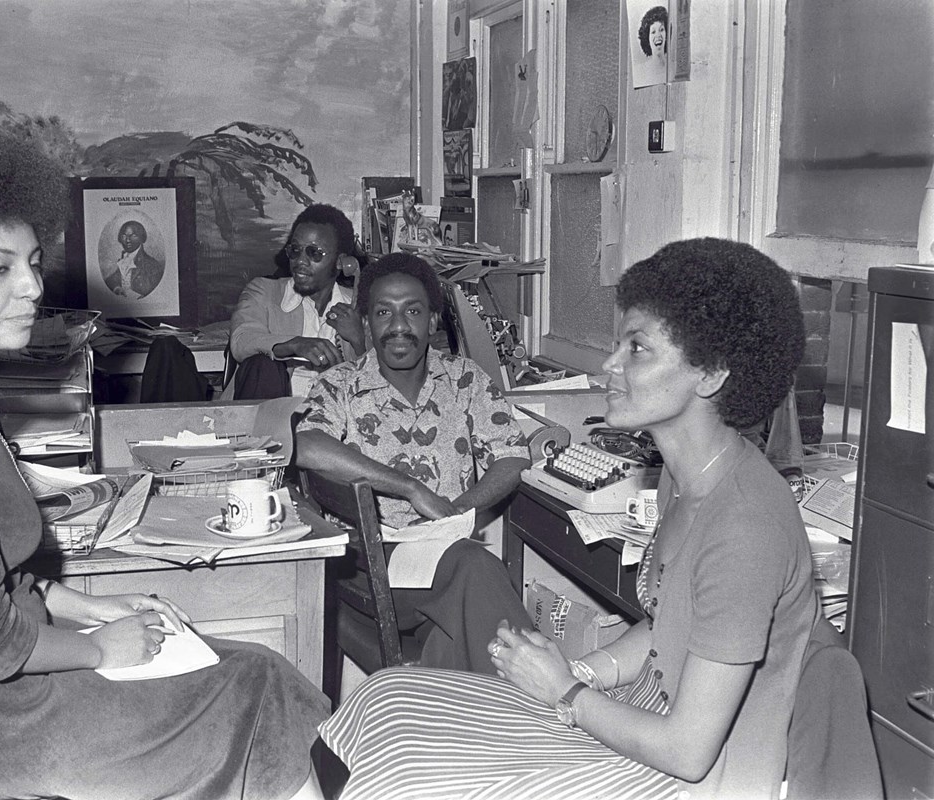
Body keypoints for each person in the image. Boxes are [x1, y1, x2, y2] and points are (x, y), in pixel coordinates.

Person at [0, 122, 327, 800]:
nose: (30, 288)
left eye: (34, 262)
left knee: (250, 668)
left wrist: (93, 608)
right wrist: (107, 648)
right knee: (257, 685)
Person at [317, 238, 819, 800]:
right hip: (642, 712)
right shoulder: (686, 475)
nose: (609, 363)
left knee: (413, 780)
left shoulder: (746, 525)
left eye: (637, 348)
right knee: (389, 696)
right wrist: (585, 672)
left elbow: (688, 753)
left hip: (690, 774)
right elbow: (671, 622)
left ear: (711, 375)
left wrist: (564, 693)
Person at [295, 252, 533, 673]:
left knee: (460, 624)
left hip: (445, 556)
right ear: (366, 322)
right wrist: (410, 488)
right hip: (373, 568)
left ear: (434, 321)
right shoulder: (340, 385)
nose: (399, 326)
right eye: (384, 312)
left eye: (414, 311)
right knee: (477, 568)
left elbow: (511, 457)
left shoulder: (466, 379)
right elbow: (309, 446)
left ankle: (476, 722)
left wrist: (455, 512)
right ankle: (545, 700)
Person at [226, 203, 368, 400]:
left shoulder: (358, 306)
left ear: (341, 262)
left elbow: (377, 385)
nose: (300, 261)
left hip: (332, 421)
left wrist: (358, 341)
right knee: (263, 364)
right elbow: (242, 340)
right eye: (295, 250)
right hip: (267, 418)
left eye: (314, 252)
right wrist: (294, 345)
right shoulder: (263, 291)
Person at [101, 218, 165, 298]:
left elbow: (157, 292)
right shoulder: (124, 260)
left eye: (133, 236)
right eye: (124, 236)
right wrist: (117, 288)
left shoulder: (153, 265)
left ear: (142, 238)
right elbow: (111, 280)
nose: (127, 240)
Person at [633, 5, 670, 88]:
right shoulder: (640, 71)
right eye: (653, 32)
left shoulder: (672, 69)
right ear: (647, 39)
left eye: (661, 30)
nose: (658, 35)